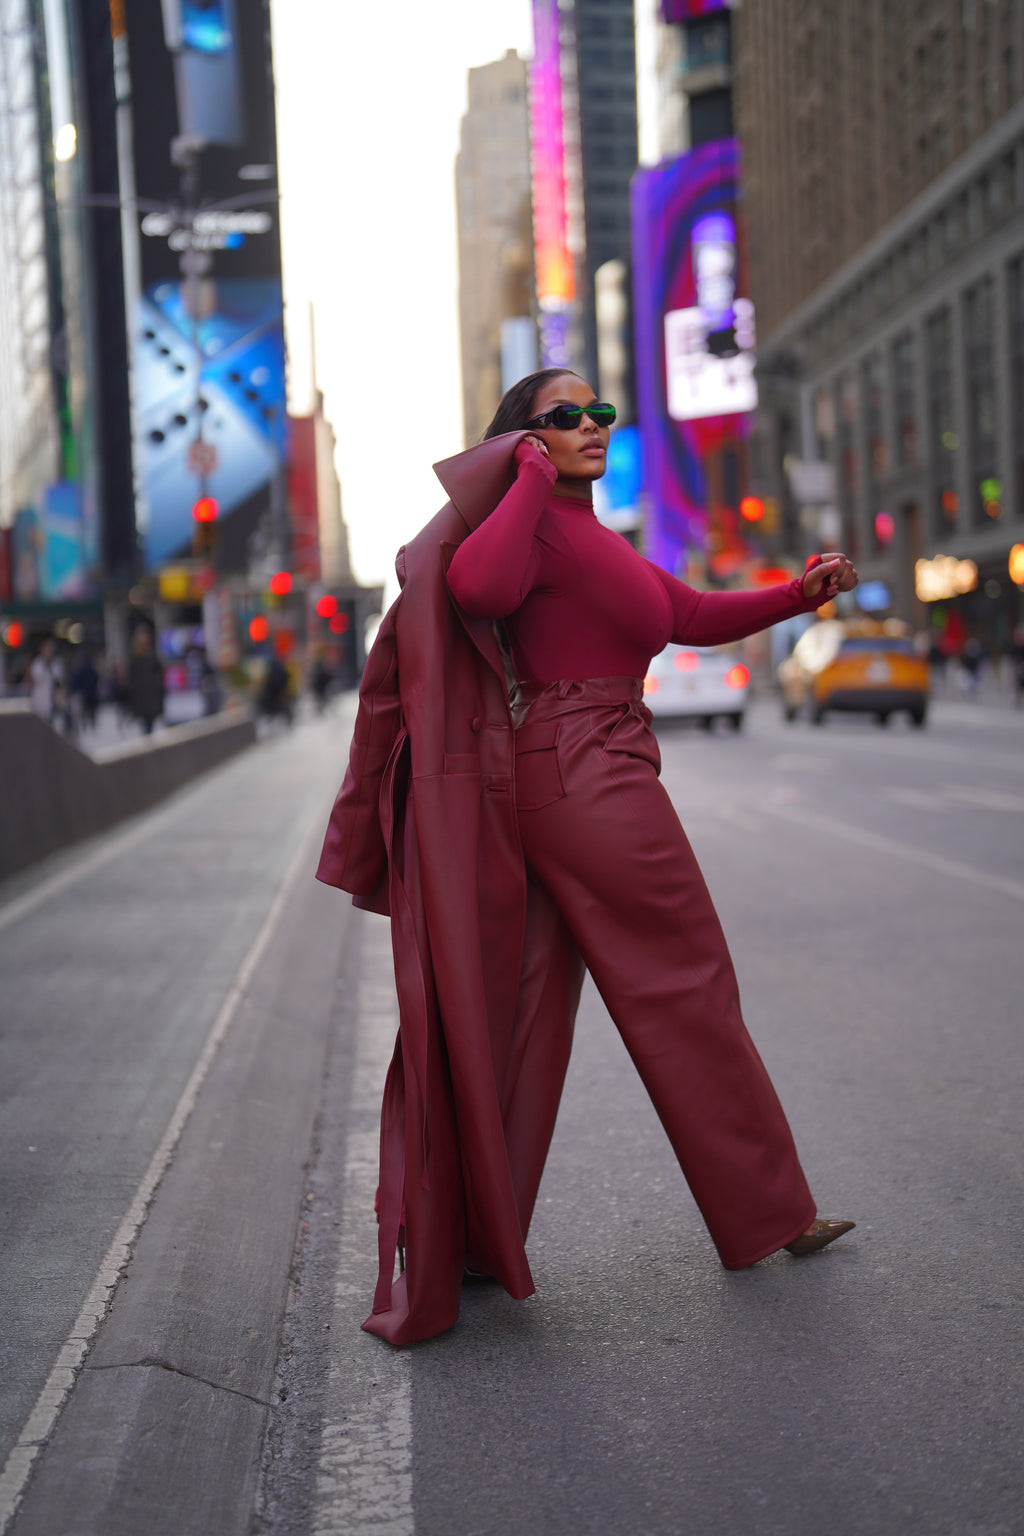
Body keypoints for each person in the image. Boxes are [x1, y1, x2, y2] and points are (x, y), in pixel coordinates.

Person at [317, 368, 858, 1347]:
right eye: (563, 417)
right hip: (588, 774)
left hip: (564, 775)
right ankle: (771, 1213)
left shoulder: (590, 538)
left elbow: (688, 614)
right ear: (523, 439)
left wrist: (795, 594)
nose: (592, 425)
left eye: (598, 411)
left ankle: (479, 1241)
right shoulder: (531, 520)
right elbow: (479, 587)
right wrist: (526, 478)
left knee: (528, 1016)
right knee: (685, 983)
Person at [127, 626, 165, 735]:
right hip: (142, 699)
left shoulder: (151, 658)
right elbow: (132, 682)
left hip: (150, 698)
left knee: (149, 725)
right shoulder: (135, 660)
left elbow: (159, 671)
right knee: (146, 726)